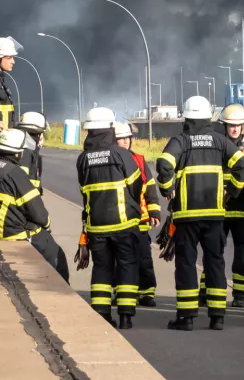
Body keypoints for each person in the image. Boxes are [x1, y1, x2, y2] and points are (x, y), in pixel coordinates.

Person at [156, 96, 244, 332]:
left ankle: (186, 318)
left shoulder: (181, 140)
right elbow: (242, 165)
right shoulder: (220, 140)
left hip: (187, 215)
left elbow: (165, 163)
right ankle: (217, 317)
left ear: (186, 117)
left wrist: (167, 188)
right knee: (215, 262)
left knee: (186, 263)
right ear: (209, 117)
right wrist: (233, 191)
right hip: (215, 215)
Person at [76, 107, 144, 330]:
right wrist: (132, 205)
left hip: (97, 227)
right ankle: (126, 316)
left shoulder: (83, 159)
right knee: (126, 266)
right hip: (124, 224)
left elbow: (84, 192)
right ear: (109, 129)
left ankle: (101, 313)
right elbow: (136, 184)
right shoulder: (121, 154)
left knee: (102, 268)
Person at [0, 128, 69, 282]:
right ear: (17, 153)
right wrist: (47, 224)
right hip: (15, 235)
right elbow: (37, 212)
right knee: (56, 253)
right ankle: (61, 289)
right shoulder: (14, 173)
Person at [115, 122, 161, 307]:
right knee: (121, 259)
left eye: (127, 138)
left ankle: (146, 293)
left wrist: (154, 210)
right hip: (120, 220)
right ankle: (121, 292)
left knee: (144, 257)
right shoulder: (112, 160)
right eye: (121, 139)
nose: (125, 142)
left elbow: (150, 187)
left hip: (140, 219)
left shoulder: (140, 160)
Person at [218, 103, 244, 307]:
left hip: (243, 210)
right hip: (220, 208)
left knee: (243, 254)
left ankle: (241, 295)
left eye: (238, 125)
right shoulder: (216, 144)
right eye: (231, 125)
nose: (234, 129)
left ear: (243, 125)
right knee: (214, 251)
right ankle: (209, 292)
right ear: (224, 126)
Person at [16, 111, 47, 190]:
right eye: (40, 133)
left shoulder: (26, 147)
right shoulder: (27, 150)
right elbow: (21, 181)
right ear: (36, 132)